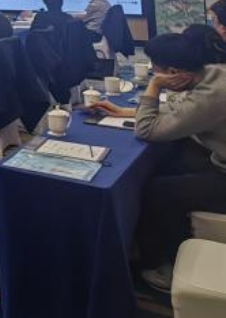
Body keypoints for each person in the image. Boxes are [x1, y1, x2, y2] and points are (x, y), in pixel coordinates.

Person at [89, 33, 226, 292]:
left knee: (159, 190)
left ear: (173, 73)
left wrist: (153, 87)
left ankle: (160, 267)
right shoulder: (213, 73)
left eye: (156, 71)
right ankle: (145, 240)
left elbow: (147, 130)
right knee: (167, 162)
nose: (154, 74)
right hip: (217, 158)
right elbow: (182, 110)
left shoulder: (212, 96)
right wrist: (126, 111)